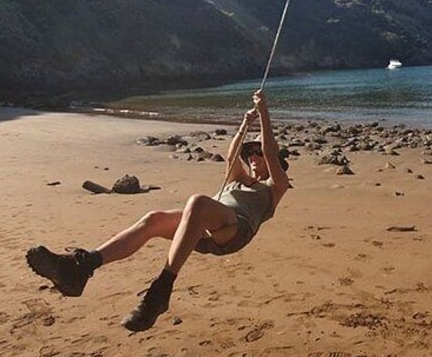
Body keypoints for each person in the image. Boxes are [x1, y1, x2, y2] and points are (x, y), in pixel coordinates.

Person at [25, 89, 290, 331]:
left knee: (197, 202)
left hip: (235, 230)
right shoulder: (236, 180)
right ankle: (82, 268)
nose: (254, 157)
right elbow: (233, 154)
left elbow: (270, 149)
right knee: (154, 219)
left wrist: (265, 113)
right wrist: (246, 123)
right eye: (251, 153)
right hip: (201, 232)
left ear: (273, 161)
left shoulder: (274, 188)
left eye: (259, 153)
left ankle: (160, 290)